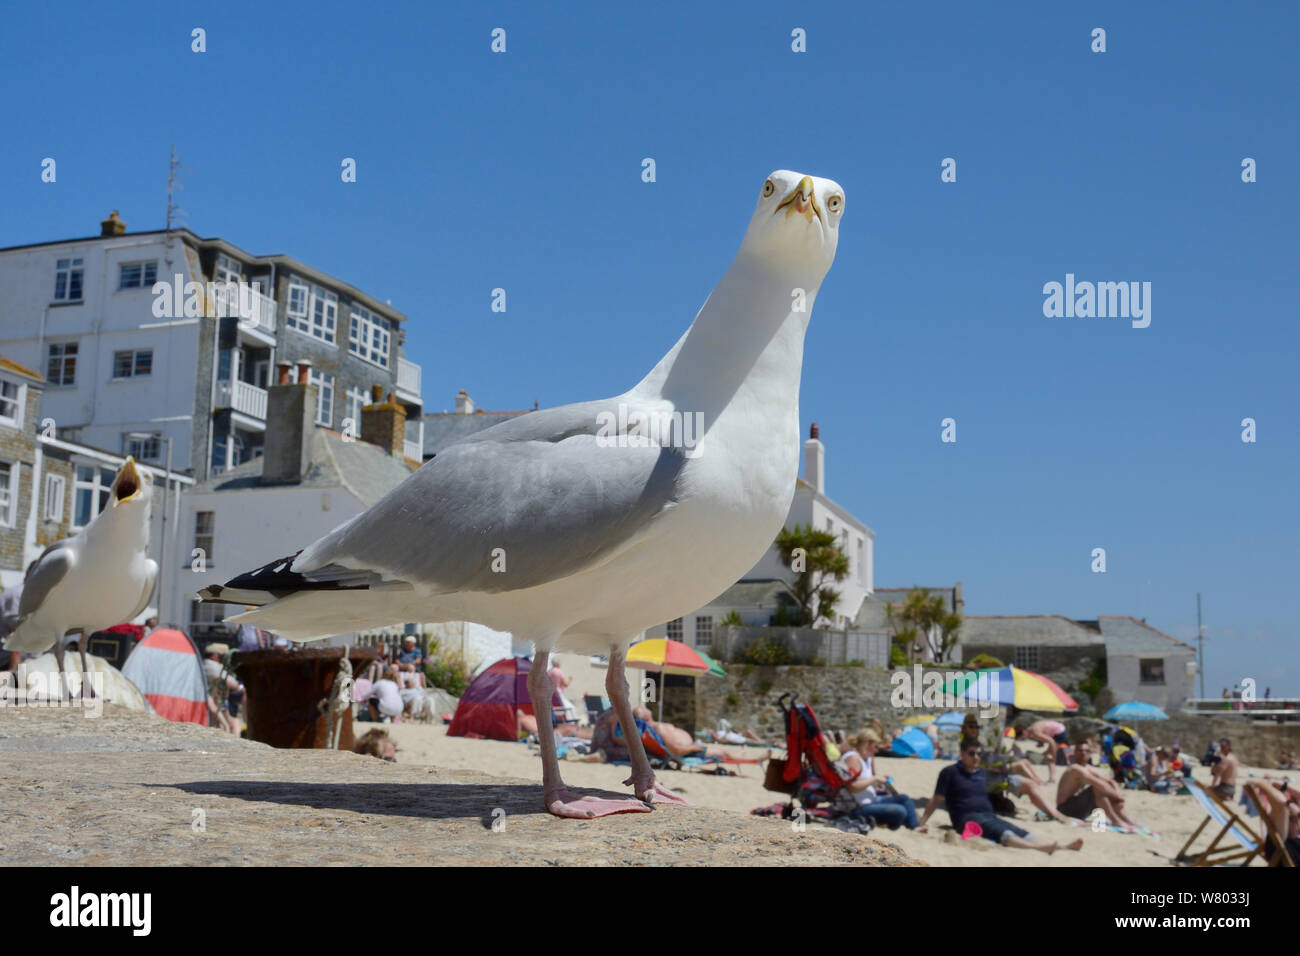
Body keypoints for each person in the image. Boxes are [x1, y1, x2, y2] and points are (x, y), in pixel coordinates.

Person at [917, 740, 1083, 854]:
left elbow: (1002, 781)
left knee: (1022, 832)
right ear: (962, 753)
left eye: (978, 754)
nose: (976, 757)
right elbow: (937, 798)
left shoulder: (982, 773)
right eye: (972, 753)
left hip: (989, 814)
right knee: (1004, 833)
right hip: (966, 819)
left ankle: (1061, 847)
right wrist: (922, 822)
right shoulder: (949, 772)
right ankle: (1039, 849)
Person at [835, 728, 926, 830]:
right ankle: (902, 823)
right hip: (857, 807)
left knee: (904, 798)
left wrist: (879, 784)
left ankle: (915, 826)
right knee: (900, 811)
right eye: (875, 746)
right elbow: (852, 787)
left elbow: (866, 782)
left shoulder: (867, 758)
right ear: (867, 743)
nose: (877, 750)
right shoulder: (853, 758)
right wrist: (874, 779)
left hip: (871, 800)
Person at [630, 706, 762, 761]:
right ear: (645, 716)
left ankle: (740, 755)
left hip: (691, 747)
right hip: (690, 750)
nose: (647, 708)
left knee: (723, 752)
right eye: (644, 709)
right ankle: (753, 760)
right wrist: (694, 747)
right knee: (723, 753)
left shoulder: (653, 728)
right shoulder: (658, 727)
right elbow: (676, 750)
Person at [1056, 742, 1140, 827]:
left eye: (1086, 751)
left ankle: (1125, 819)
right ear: (1074, 753)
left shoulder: (1088, 767)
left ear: (1090, 754)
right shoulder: (1075, 769)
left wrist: (1118, 795)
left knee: (1105, 789)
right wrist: (1118, 797)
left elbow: (1110, 781)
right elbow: (1099, 784)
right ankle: (1115, 820)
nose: (1083, 753)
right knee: (1097, 788)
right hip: (1065, 810)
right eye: (1080, 751)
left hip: (1078, 809)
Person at [1242, 779, 1300, 866]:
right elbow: (1281, 803)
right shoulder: (1282, 824)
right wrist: (1262, 783)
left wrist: (1286, 787)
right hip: (1282, 851)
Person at [203, 643, 243, 734]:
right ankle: (229, 730)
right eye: (218, 655)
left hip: (220, 696)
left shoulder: (208, 665)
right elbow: (226, 681)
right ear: (214, 656)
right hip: (221, 695)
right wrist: (239, 687)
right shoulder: (211, 666)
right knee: (232, 721)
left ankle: (228, 729)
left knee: (227, 720)